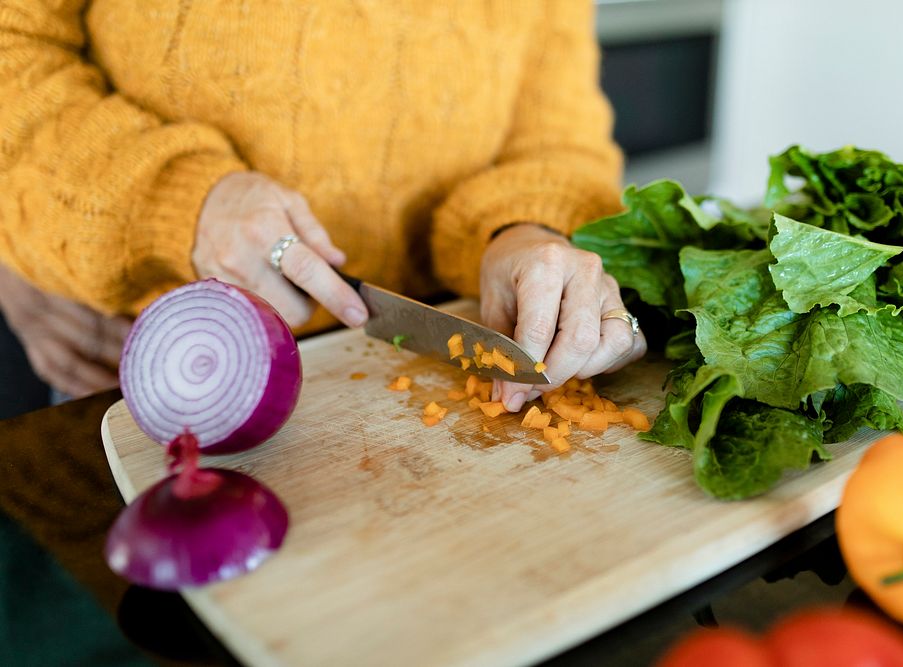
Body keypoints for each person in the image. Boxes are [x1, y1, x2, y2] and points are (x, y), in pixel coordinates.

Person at [0, 0, 646, 413]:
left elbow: (555, 133)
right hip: (144, 366)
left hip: (420, 379)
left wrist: (524, 229)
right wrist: (165, 199)